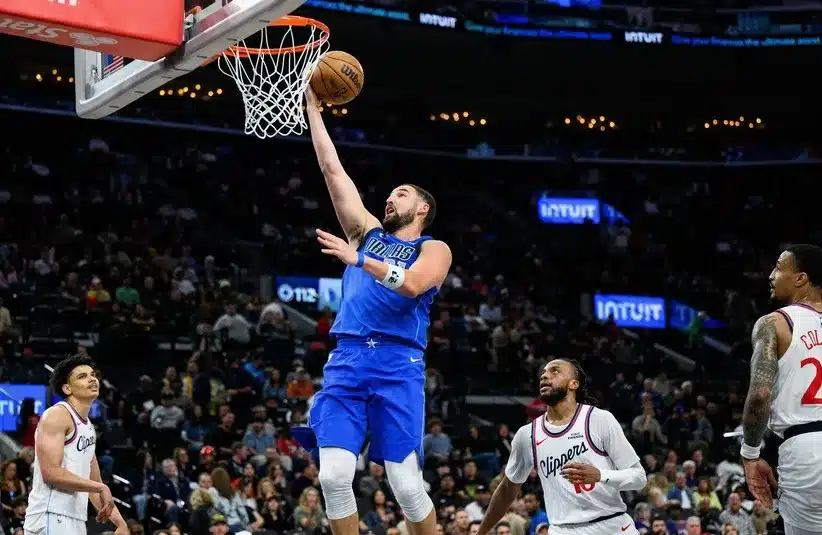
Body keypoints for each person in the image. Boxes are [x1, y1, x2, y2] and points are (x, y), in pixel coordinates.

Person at [303, 87, 453, 535]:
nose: (390, 199)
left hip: (397, 364)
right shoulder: (365, 232)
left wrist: (360, 260)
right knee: (332, 478)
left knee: (406, 486)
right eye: (388, 195)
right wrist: (313, 111)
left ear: (422, 208)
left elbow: (413, 284)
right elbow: (332, 169)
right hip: (347, 360)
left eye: (400, 195)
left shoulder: (434, 248)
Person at [476, 359, 647, 535]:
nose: (544, 376)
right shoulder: (527, 435)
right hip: (562, 530)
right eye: (543, 373)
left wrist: (600, 475)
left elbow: (639, 477)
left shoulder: (599, 420)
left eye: (555, 371)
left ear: (574, 384)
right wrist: (480, 532)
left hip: (611, 526)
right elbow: (507, 490)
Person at [740, 244, 822, 535]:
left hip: (806, 453)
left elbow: (760, 395)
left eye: (778, 267)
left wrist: (751, 453)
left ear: (800, 278)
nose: (771, 275)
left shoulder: (774, 323)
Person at [24, 354, 128, 535]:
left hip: (75, 519)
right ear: (67, 388)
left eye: (93, 375)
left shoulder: (88, 428)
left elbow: (94, 483)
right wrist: (99, 487)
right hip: (50, 514)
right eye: (82, 376)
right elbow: (50, 473)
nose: (92, 379)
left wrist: (120, 523)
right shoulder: (57, 415)